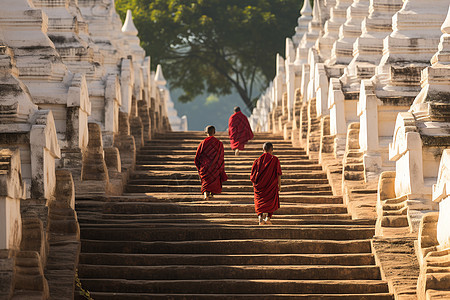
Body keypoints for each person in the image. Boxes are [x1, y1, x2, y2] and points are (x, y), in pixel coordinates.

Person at [250, 142, 282, 225]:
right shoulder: (275, 160)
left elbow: (253, 177)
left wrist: (256, 186)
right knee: (271, 201)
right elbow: (278, 174)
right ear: (272, 150)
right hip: (271, 186)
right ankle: (268, 218)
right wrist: (279, 185)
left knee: (259, 202)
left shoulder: (257, 161)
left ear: (263, 150)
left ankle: (260, 218)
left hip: (260, 187)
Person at [195, 125, 228, 200]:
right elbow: (221, 157)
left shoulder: (203, 143)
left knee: (206, 182)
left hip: (205, 167)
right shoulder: (219, 144)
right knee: (214, 181)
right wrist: (220, 166)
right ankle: (211, 194)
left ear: (206, 132)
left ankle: (206, 195)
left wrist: (200, 167)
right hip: (215, 167)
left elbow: (197, 157)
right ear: (215, 132)